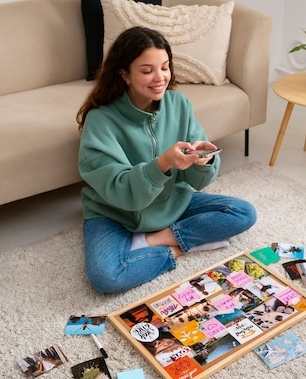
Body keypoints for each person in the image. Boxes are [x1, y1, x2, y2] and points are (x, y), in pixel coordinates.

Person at [76, 26, 256, 294]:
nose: (159, 77)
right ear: (124, 73)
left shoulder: (178, 104)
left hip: (172, 201)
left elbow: (197, 183)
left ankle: (153, 242)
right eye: (147, 70)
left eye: (165, 67)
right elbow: (122, 192)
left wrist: (202, 161)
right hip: (115, 213)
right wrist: (162, 165)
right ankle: (183, 247)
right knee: (107, 277)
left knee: (244, 213)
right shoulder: (101, 120)